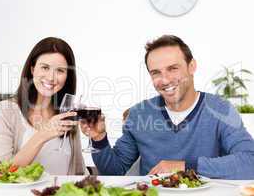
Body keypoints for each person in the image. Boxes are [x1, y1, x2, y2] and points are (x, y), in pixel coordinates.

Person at [80, 35, 254, 179]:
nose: (164, 80)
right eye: (156, 72)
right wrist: (99, 139)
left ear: (191, 66)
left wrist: (186, 166)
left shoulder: (221, 109)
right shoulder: (139, 114)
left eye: (173, 68)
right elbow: (114, 171)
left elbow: (250, 162)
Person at [0, 37, 86, 175]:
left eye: (60, 71)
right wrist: (42, 135)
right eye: (45, 67)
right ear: (32, 69)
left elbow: (79, 172)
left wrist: (98, 138)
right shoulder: (5, 111)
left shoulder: (68, 113)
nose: (51, 77)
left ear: (67, 76)